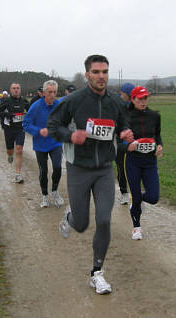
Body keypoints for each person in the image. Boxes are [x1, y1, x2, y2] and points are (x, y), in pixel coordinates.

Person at [47, 55, 133, 294]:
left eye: (105, 71)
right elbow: (54, 126)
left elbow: (124, 123)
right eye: (96, 72)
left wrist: (125, 132)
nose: (101, 76)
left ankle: (97, 273)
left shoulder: (115, 102)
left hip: (105, 169)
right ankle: (70, 217)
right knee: (82, 224)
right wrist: (71, 136)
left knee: (104, 220)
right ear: (87, 75)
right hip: (79, 169)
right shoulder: (73, 101)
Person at [122, 86, 163, 240]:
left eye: (145, 98)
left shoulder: (154, 116)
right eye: (140, 98)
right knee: (136, 195)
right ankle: (136, 227)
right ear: (133, 99)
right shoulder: (125, 117)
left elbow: (157, 135)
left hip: (150, 162)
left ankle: (137, 201)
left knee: (153, 197)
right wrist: (127, 146)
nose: (143, 101)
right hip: (132, 161)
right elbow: (117, 139)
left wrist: (159, 146)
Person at [23, 80, 64, 208]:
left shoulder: (59, 105)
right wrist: (39, 131)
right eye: (49, 92)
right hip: (40, 144)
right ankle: (45, 195)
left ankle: (54, 191)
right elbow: (26, 124)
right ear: (44, 93)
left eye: (54, 92)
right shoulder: (35, 107)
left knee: (57, 167)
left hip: (55, 142)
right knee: (43, 170)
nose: (52, 95)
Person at [0, 83, 29, 183]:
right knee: (10, 150)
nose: (16, 90)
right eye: (14, 88)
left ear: (20, 90)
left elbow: (31, 111)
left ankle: (18, 175)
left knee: (19, 150)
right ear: (10, 90)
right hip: (9, 129)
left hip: (20, 129)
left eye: (18, 88)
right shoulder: (6, 101)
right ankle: (10, 155)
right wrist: (6, 114)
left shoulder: (24, 101)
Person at [116, 82, 135, 205]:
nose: (120, 95)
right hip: (119, 143)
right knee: (121, 169)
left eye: (122, 93)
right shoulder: (117, 105)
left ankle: (136, 195)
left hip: (132, 144)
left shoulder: (135, 108)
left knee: (133, 170)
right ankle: (124, 194)